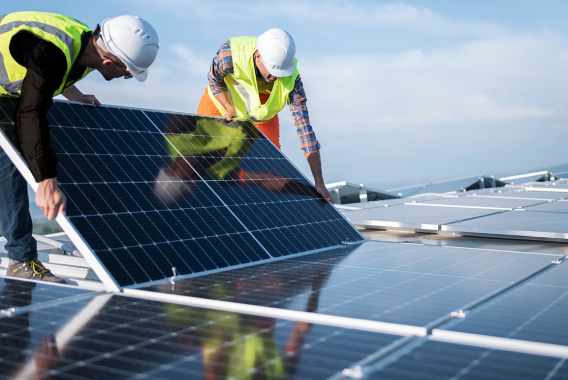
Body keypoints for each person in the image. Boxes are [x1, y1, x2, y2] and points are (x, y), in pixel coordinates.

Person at [0, 11, 160, 283]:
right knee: (12, 166)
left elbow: (53, 74)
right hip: (7, 97)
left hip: (13, 92)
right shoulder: (51, 51)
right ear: (109, 61)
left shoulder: (88, 43)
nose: (128, 77)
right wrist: (46, 182)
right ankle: (21, 259)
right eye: (127, 70)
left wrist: (74, 94)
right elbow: (29, 113)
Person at [196, 28, 333, 204]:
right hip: (222, 103)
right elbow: (214, 78)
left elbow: (304, 130)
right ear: (258, 56)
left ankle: (253, 211)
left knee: (268, 164)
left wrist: (319, 181)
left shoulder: (292, 79)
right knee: (203, 158)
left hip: (261, 113)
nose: (275, 77)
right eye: (272, 70)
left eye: (280, 73)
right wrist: (228, 106)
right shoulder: (230, 54)